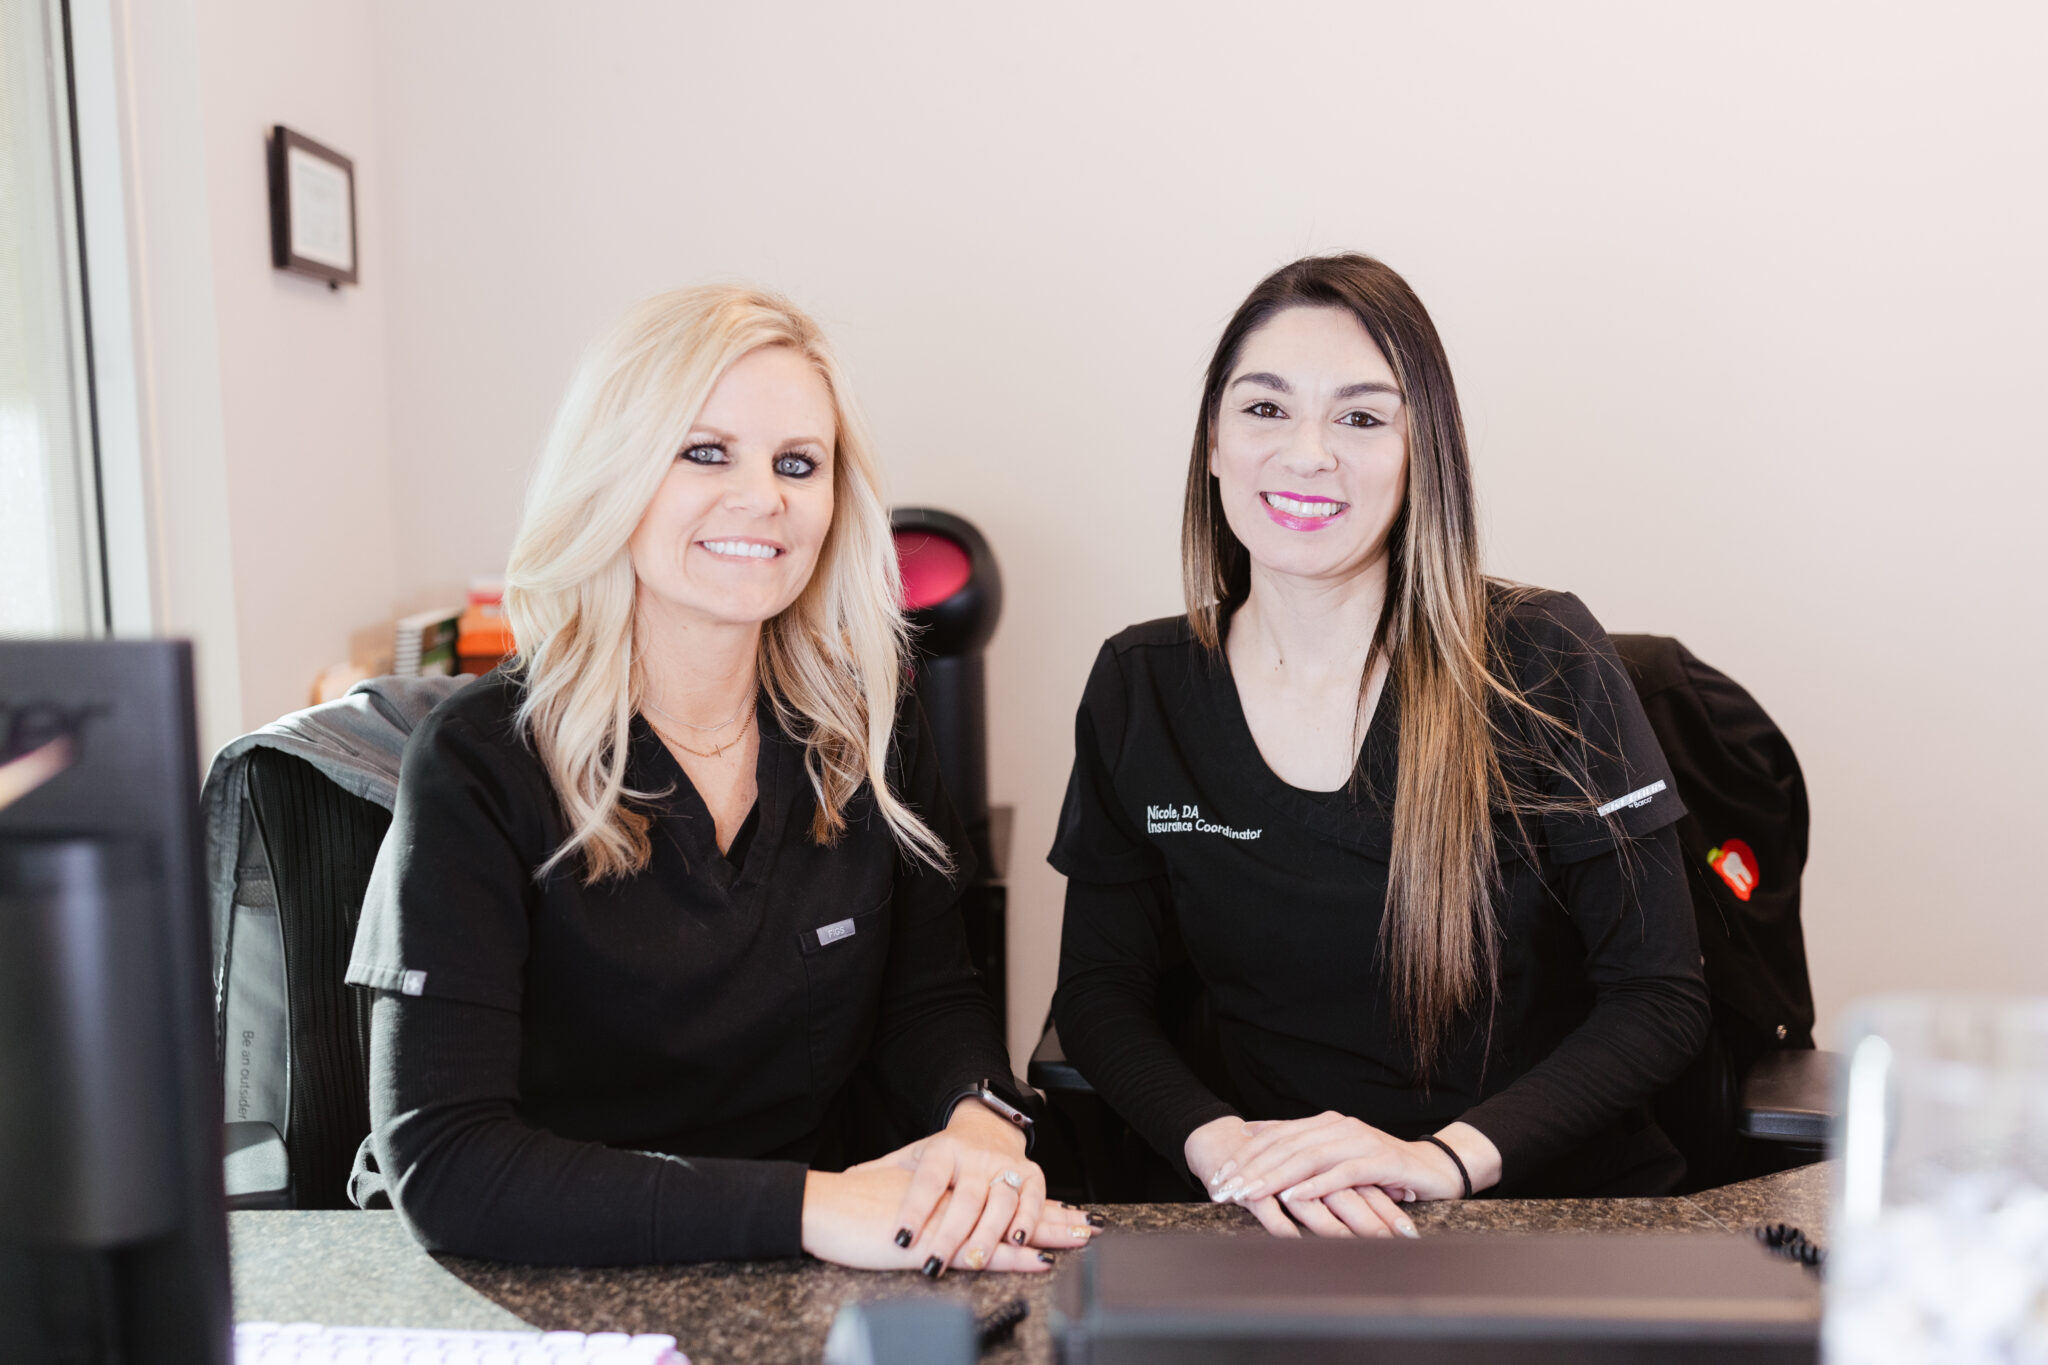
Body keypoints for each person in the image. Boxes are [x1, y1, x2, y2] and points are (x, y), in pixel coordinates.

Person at [348, 285, 1093, 1272]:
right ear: (613, 474)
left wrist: (980, 1123)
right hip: (542, 1269)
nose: (764, 498)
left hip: (805, 1260)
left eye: (798, 464)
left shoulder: (866, 725)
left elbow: (928, 999)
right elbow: (449, 1166)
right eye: (705, 452)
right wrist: (812, 1208)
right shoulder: (481, 762)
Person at [1049, 254, 1713, 1237]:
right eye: (1264, 410)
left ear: (1420, 454)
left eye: (1360, 418)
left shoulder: (1538, 658)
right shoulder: (1140, 685)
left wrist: (1436, 1163)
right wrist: (1226, 1152)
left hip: (1537, 1218)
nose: (1306, 453)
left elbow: (1656, 997)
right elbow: (1099, 995)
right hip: (1275, 1219)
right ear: (1213, 446)